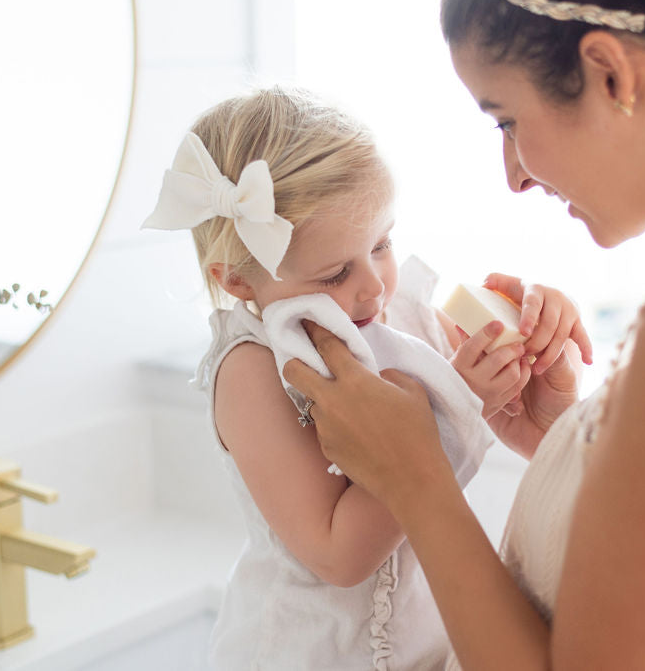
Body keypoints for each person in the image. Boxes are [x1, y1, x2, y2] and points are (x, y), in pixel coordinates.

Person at [282, 0, 645, 669]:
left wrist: (417, 478)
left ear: (610, 74)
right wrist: (573, 445)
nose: (514, 176)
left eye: (506, 120)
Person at [141, 86, 592, 669]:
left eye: (381, 243)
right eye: (335, 273)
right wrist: (460, 402)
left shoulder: (401, 315)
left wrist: (525, 338)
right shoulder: (251, 370)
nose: (375, 287)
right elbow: (338, 555)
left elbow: (498, 413)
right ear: (239, 282)